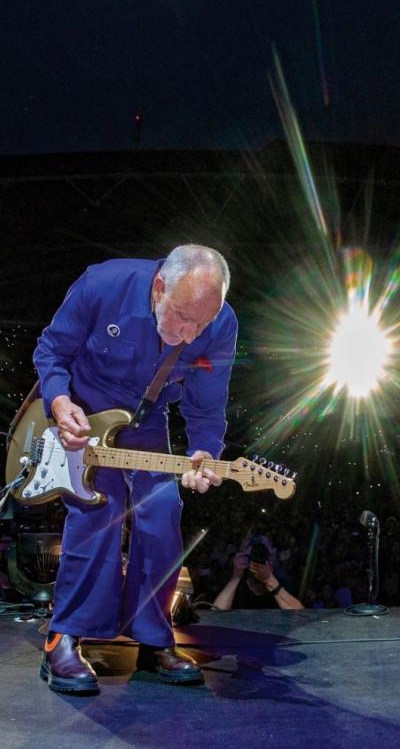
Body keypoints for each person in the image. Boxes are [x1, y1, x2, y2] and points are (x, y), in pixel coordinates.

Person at [34, 244, 237, 694]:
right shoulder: (103, 284)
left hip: (147, 420)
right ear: (160, 287)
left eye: (201, 323)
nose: (189, 334)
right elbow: (51, 351)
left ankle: (152, 638)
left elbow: (207, 407)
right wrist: (61, 401)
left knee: (164, 512)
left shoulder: (221, 324)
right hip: (85, 416)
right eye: (183, 317)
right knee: (98, 510)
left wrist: (204, 452)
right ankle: (63, 636)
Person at [211, 535, 305, 610]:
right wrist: (236, 576)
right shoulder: (236, 583)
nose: (257, 557)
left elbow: (298, 616)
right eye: (254, 553)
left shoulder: (282, 581)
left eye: (262, 553)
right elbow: (216, 614)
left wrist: (269, 580)